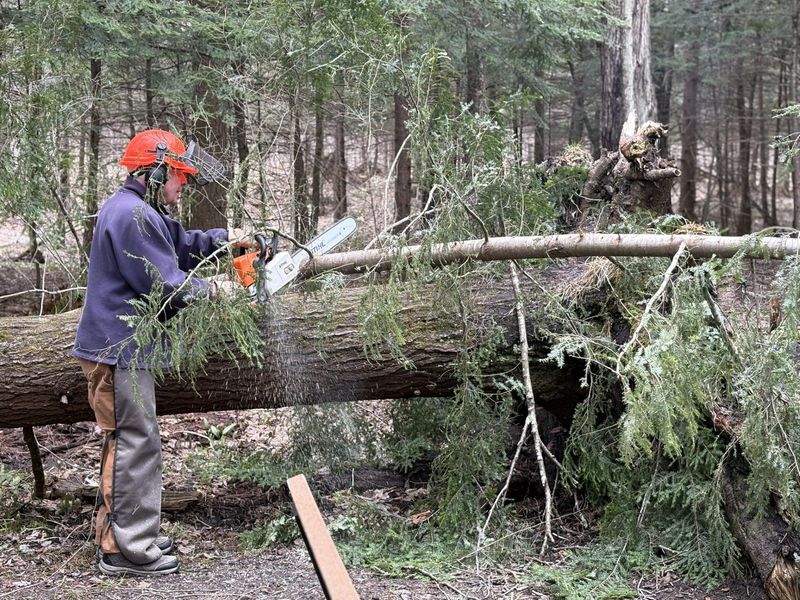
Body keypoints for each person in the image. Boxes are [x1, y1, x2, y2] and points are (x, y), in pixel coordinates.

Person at [73, 129, 244, 576]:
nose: (182, 186)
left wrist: (230, 240)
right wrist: (214, 290)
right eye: (178, 178)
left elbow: (181, 247)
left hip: (122, 347)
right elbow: (166, 283)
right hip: (119, 350)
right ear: (157, 171)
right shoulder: (132, 215)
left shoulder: (138, 210)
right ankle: (128, 548)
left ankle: (122, 533)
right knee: (134, 443)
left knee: (127, 441)